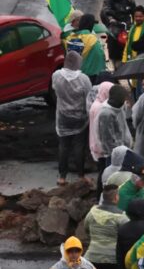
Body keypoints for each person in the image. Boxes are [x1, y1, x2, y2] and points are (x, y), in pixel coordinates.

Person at [52, 51, 93, 186]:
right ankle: (81, 175)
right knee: (79, 147)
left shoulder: (57, 75)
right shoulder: (84, 79)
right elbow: (89, 97)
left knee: (63, 147)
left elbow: (54, 90)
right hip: (80, 118)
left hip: (63, 117)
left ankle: (62, 177)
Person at [96, 85, 133, 196]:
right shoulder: (106, 114)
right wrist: (119, 154)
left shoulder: (118, 107)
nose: (125, 102)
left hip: (123, 150)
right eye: (123, 99)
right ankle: (102, 200)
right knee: (111, 182)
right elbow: (107, 140)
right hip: (115, 155)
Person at [100, 0, 136, 68]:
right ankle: (114, 63)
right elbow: (105, 11)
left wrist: (134, 24)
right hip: (114, 27)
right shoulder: (107, 1)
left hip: (126, 27)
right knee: (112, 46)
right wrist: (111, 20)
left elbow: (135, 13)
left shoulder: (130, 1)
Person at [63, 14, 107, 83]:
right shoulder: (93, 39)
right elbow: (101, 57)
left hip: (77, 77)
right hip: (93, 76)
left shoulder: (71, 38)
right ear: (90, 25)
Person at [88, 82, 114, 181]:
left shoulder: (96, 104)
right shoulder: (100, 107)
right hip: (101, 147)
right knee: (104, 174)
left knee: (102, 172)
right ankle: (101, 195)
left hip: (96, 144)